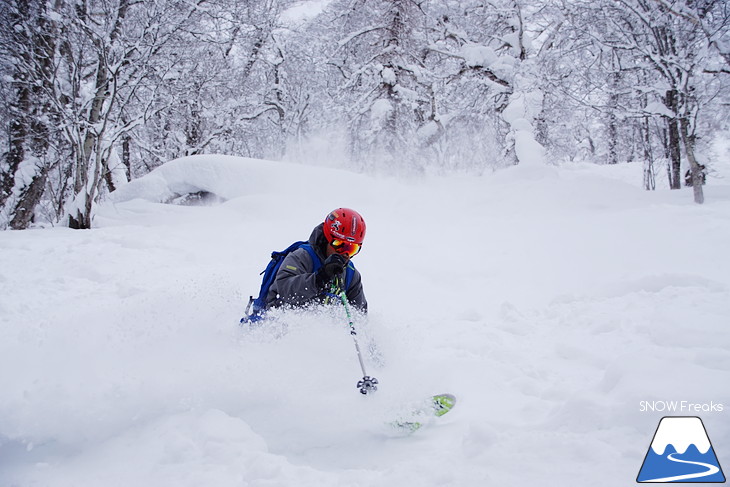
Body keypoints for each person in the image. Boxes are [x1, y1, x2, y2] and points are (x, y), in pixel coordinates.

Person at [265, 208, 367, 313]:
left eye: (352, 249)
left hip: (321, 327)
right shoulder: (302, 257)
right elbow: (284, 291)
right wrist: (318, 279)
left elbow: (360, 315)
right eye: (339, 245)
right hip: (280, 322)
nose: (345, 254)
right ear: (327, 238)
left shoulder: (351, 274)